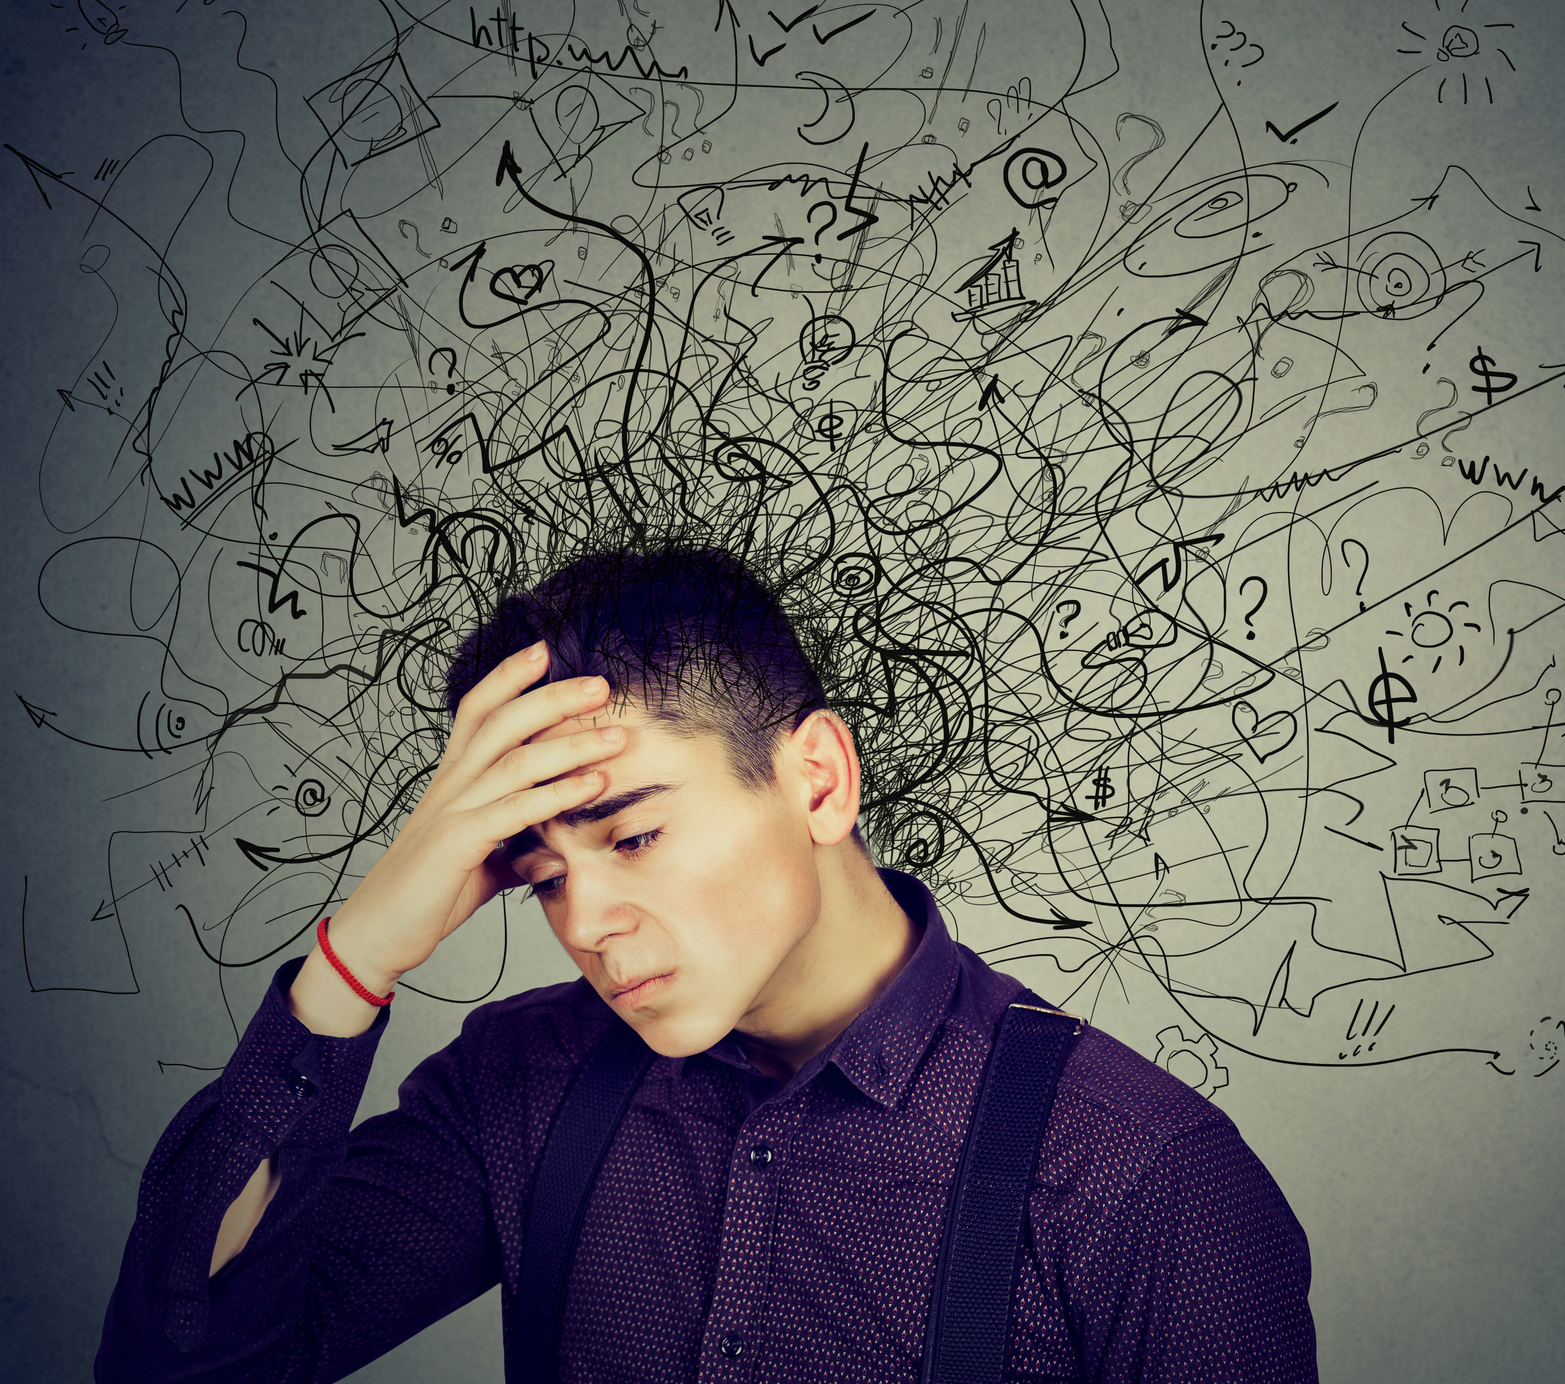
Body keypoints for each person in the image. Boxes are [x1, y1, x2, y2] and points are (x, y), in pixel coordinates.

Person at [95, 547, 1317, 1382]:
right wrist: (354, 952)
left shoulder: (1144, 1180)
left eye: (632, 835)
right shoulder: (523, 1081)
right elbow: (181, 1360)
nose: (590, 922)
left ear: (819, 779)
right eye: (541, 872)